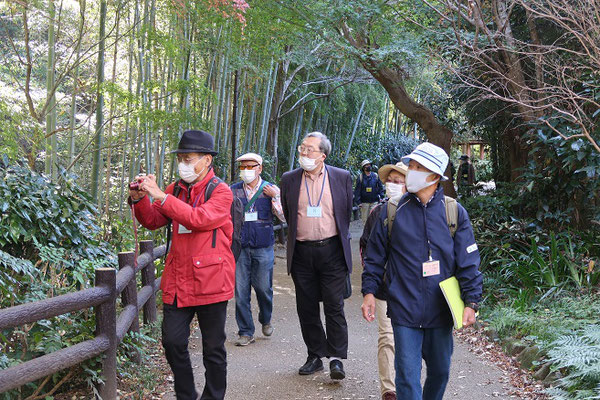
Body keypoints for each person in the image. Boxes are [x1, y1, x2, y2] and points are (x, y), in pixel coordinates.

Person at [361, 142, 483, 400]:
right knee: (406, 374)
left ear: (435, 176)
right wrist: (369, 292)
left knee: (440, 371)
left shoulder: (454, 212)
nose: (411, 171)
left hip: (441, 309)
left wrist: (471, 301)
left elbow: (468, 260)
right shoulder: (392, 211)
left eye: (418, 167)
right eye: (411, 166)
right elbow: (374, 257)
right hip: (404, 307)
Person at [129, 129, 234, 400]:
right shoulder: (175, 189)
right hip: (178, 279)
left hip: (212, 280)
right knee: (172, 341)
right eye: (181, 159)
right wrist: (141, 199)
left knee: (213, 348)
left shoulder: (221, 192)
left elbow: (199, 218)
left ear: (207, 160)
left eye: (189, 158)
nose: (184, 164)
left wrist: (161, 197)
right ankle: (186, 394)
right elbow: (153, 221)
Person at [280, 131, 353, 380]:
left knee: (334, 305)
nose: (304, 152)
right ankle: (315, 355)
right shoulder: (289, 180)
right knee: (306, 307)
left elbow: (344, 214)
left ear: (322, 155)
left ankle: (336, 358)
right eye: (302, 148)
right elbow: (289, 214)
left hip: (331, 250)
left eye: (310, 149)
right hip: (302, 252)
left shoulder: (341, 177)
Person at [359, 161, 408, 400]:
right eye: (390, 181)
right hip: (383, 286)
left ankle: (407, 385)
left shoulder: (420, 212)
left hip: (411, 289)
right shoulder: (378, 212)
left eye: (399, 182)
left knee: (408, 339)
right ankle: (389, 389)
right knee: (387, 336)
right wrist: (369, 287)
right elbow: (366, 248)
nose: (393, 185)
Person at [230, 152, 285, 347]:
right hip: (240, 247)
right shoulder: (233, 190)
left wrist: (275, 197)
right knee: (241, 290)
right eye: (242, 167)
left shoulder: (270, 189)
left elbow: (284, 217)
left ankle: (266, 317)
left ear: (259, 168)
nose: (246, 171)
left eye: (250, 166)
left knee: (263, 288)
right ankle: (245, 331)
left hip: (263, 246)